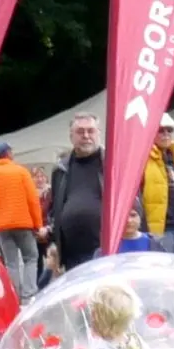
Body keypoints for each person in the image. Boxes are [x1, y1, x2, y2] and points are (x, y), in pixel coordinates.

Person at [0, 143, 45, 305]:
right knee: (31, 257)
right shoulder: (21, 172)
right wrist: (38, 224)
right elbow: (32, 200)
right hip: (23, 224)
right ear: (9, 154)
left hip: (1, 227)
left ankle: (14, 296)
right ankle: (29, 295)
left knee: (11, 262)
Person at [48, 113, 106, 271]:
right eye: (80, 132)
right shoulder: (60, 170)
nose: (86, 136)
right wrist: (54, 244)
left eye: (91, 131)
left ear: (98, 133)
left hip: (107, 250)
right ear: (71, 136)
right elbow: (55, 210)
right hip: (72, 255)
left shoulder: (111, 164)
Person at [142, 113, 174, 254]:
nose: (166, 134)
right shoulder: (142, 158)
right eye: (161, 130)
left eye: (169, 130)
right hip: (160, 229)